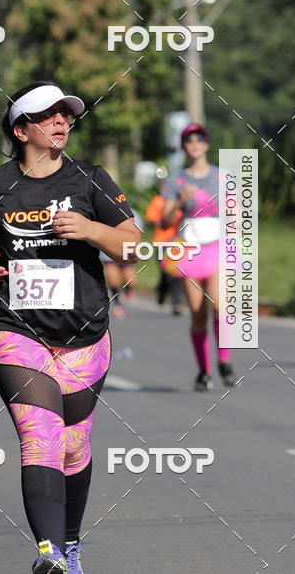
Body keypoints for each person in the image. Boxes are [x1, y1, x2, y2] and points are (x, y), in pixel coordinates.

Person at [0, 81, 140, 574]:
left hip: (85, 334)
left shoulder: (89, 179)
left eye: (66, 114)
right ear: (22, 130)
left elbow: (132, 245)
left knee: (74, 445)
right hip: (16, 329)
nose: (62, 121)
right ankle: (48, 552)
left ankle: (71, 541)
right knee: (40, 435)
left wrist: (90, 230)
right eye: (48, 115)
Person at [161, 124, 236, 392]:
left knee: (220, 303)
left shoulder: (222, 176)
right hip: (190, 249)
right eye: (188, 140)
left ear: (206, 143)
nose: (194, 143)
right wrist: (180, 201)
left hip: (217, 245)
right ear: (183, 146)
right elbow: (165, 219)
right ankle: (203, 371)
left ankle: (224, 362)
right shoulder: (175, 180)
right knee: (197, 313)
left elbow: (236, 214)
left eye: (199, 138)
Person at [145, 186, 184, 315]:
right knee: (164, 270)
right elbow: (152, 219)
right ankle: (162, 290)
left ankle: (177, 302)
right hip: (162, 242)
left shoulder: (182, 201)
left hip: (179, 241)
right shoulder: (158, 201)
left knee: (176, 272)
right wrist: (167, 220)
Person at [100, 207, 143, 318]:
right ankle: (118, 305)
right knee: (113, 281)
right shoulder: (103, 210)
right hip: (108, 253)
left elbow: (138, 232)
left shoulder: (134, 213)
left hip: (126, 251)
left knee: (131, 281)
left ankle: (128, 289)